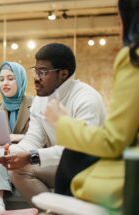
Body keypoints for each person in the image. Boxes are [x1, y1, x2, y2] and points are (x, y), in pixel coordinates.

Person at [43, 0, 139, 213]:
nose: (38, 78)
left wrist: (61, 122)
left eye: (119, 20)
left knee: (71, 158)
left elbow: (112, 141)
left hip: (131, 176)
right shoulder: (40, 100)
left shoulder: (132, 57)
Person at [0, 43, 107, 206]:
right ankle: (51, 211)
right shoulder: (40, 100)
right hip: (63, 166)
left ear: (63, 74)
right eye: (35, 70)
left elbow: (80, 151)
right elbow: (33, 140)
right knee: (17, 170)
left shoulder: (87, 99)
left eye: (43, 72)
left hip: (91, 168)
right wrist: (9, 152)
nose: (35, 77)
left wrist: (31, 156)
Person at [0, 61, 33, 211]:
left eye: (11, 78)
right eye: (1, 79)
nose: (5, 83)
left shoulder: (35, 104)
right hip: (1, 160)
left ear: (21, 79)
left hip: (25, 158)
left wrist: (14, 138)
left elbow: (42, 138)